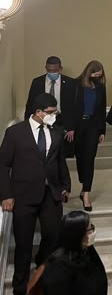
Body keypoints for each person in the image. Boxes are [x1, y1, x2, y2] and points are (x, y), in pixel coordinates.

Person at [0, 93, 71, 295]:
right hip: (23, 196)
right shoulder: (15, 133)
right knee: (23, 244)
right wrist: (6, 194)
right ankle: (20, 287)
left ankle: (43, 270)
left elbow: (60, 162)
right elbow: (3, 165)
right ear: (38, 112)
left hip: (51, 194)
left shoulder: (56, 133)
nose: (54, 115)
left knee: (53, 235)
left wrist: (65, 185)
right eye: (50, 112)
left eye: (55, 112)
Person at [27, 210, 108, 295]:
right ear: (78, 235)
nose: (93, 232)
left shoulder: (88, 252)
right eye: (90, 229)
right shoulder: (57, 266)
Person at [66, 61, 106, 211]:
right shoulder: (75, 84)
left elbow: (102, 109)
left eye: (100, 75)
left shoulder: (101, 87)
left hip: (93, 127)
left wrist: (102, 131)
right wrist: (70, 128)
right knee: (81, 158)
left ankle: (86, 194)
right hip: (78, 126)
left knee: (89, 158)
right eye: (95, 75)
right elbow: (69, 108)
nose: (97, 77)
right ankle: (84, 186)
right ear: (88, 73)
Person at [24, 56, 75, 157]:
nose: (52, 73)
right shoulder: (37, 82)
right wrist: (27, 125)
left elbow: (74, 106)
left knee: (61, 152)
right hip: (42, 119)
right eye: (49, 70)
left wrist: (72, 127)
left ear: (60, 69)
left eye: (55, 70)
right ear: (45, 68)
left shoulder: (70, 83)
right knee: (43, 150)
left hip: (61, 120)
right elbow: (30, 104)